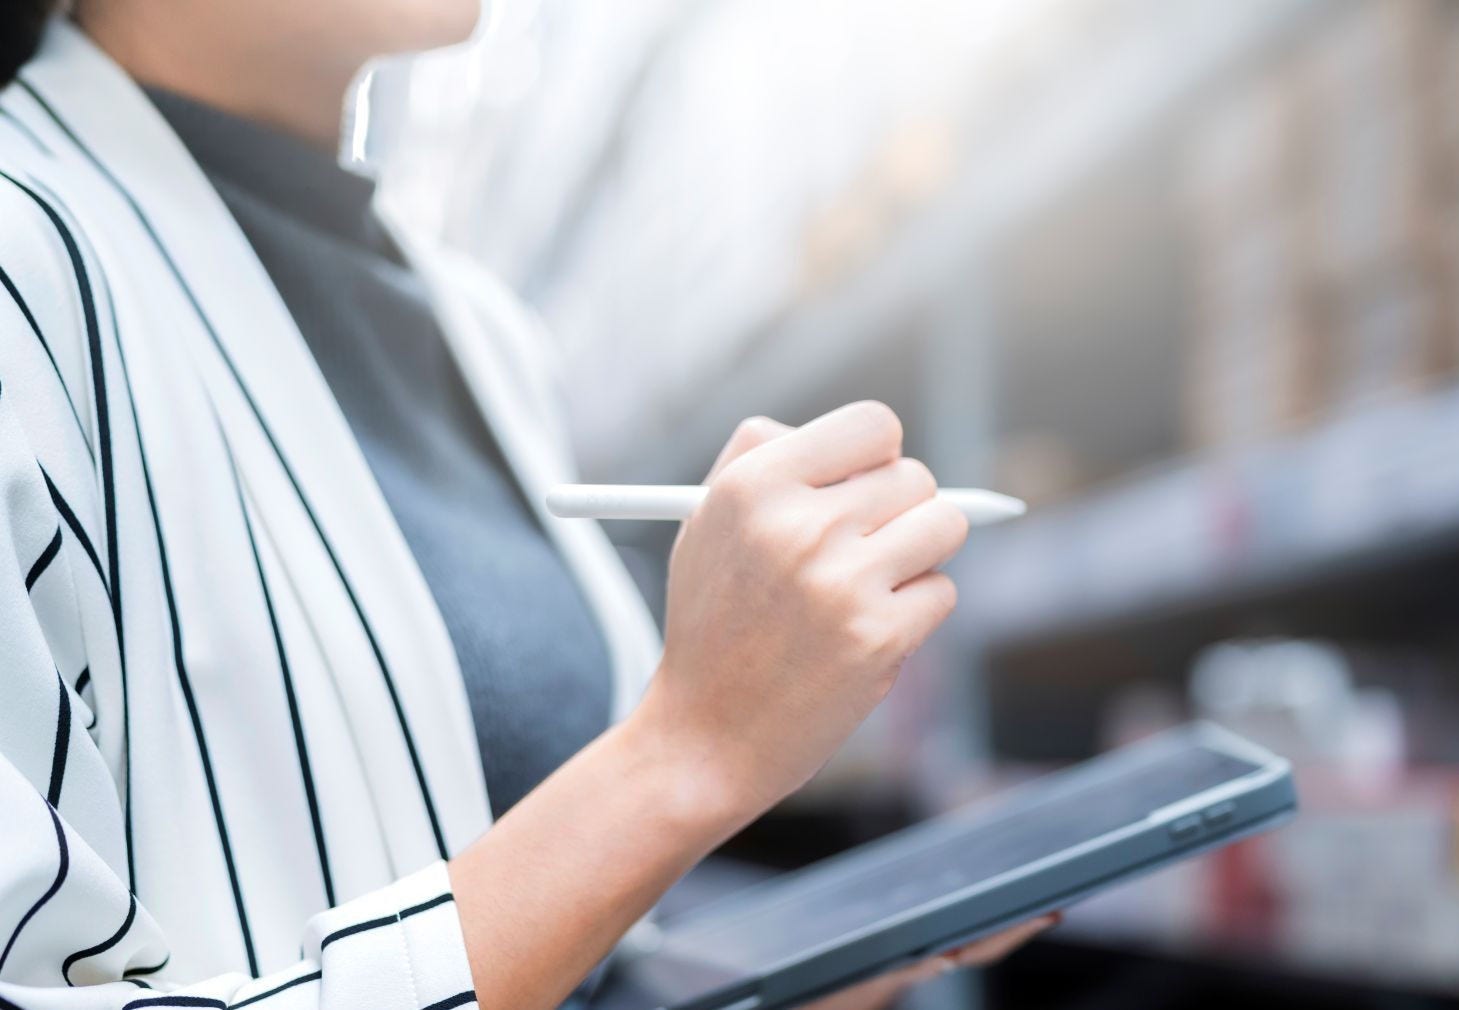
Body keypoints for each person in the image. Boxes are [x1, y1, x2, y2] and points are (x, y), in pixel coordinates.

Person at [0, 2, 1051, 1009]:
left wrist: (814, 967)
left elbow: (558, 953)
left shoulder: (482, 333)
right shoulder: (24, 273)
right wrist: (685, 752)